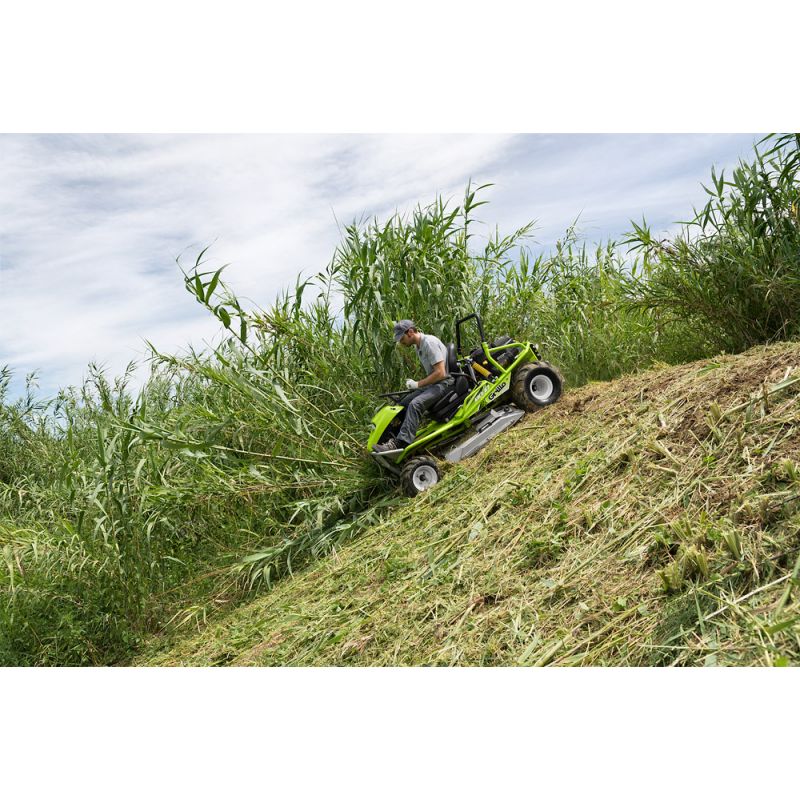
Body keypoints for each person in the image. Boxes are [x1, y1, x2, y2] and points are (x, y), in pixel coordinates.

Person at [373, 319, 454, 453]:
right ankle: (391, 439)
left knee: (415, 404)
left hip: (444, 384)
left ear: (410, 332)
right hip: (435, 384)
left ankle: (401, 443)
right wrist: (418, 385)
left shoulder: (429, 343)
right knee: (403, 403)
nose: (401, 342)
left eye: (401, 338)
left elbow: (440, 373)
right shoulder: (419, 347)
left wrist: (417, 384)